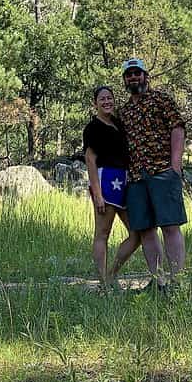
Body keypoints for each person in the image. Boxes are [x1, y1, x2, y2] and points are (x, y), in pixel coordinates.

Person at [118, 58, 187, 292]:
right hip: (136, 177)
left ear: (146, 76)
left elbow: (177, 129)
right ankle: (158, 281)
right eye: (129, 75)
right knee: (146, 230)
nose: (134, 77)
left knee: (170, 226)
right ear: (125, 80)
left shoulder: (162, 100)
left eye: (137, 73)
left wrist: (175, 166)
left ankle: (177, 281)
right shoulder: (124, 112)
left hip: (162, 172)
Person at [82, 85, 141, 288]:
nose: (107, 101)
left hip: (123, 182)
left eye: (109, 98)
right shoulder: (93, 128)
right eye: (102, 99)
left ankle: (111, 274)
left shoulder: (117, 123)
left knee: (137, 233)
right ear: (95, 103)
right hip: (105, 180)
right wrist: (97, 194)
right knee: (103, 233)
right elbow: (90, 160)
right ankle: (103, 282)